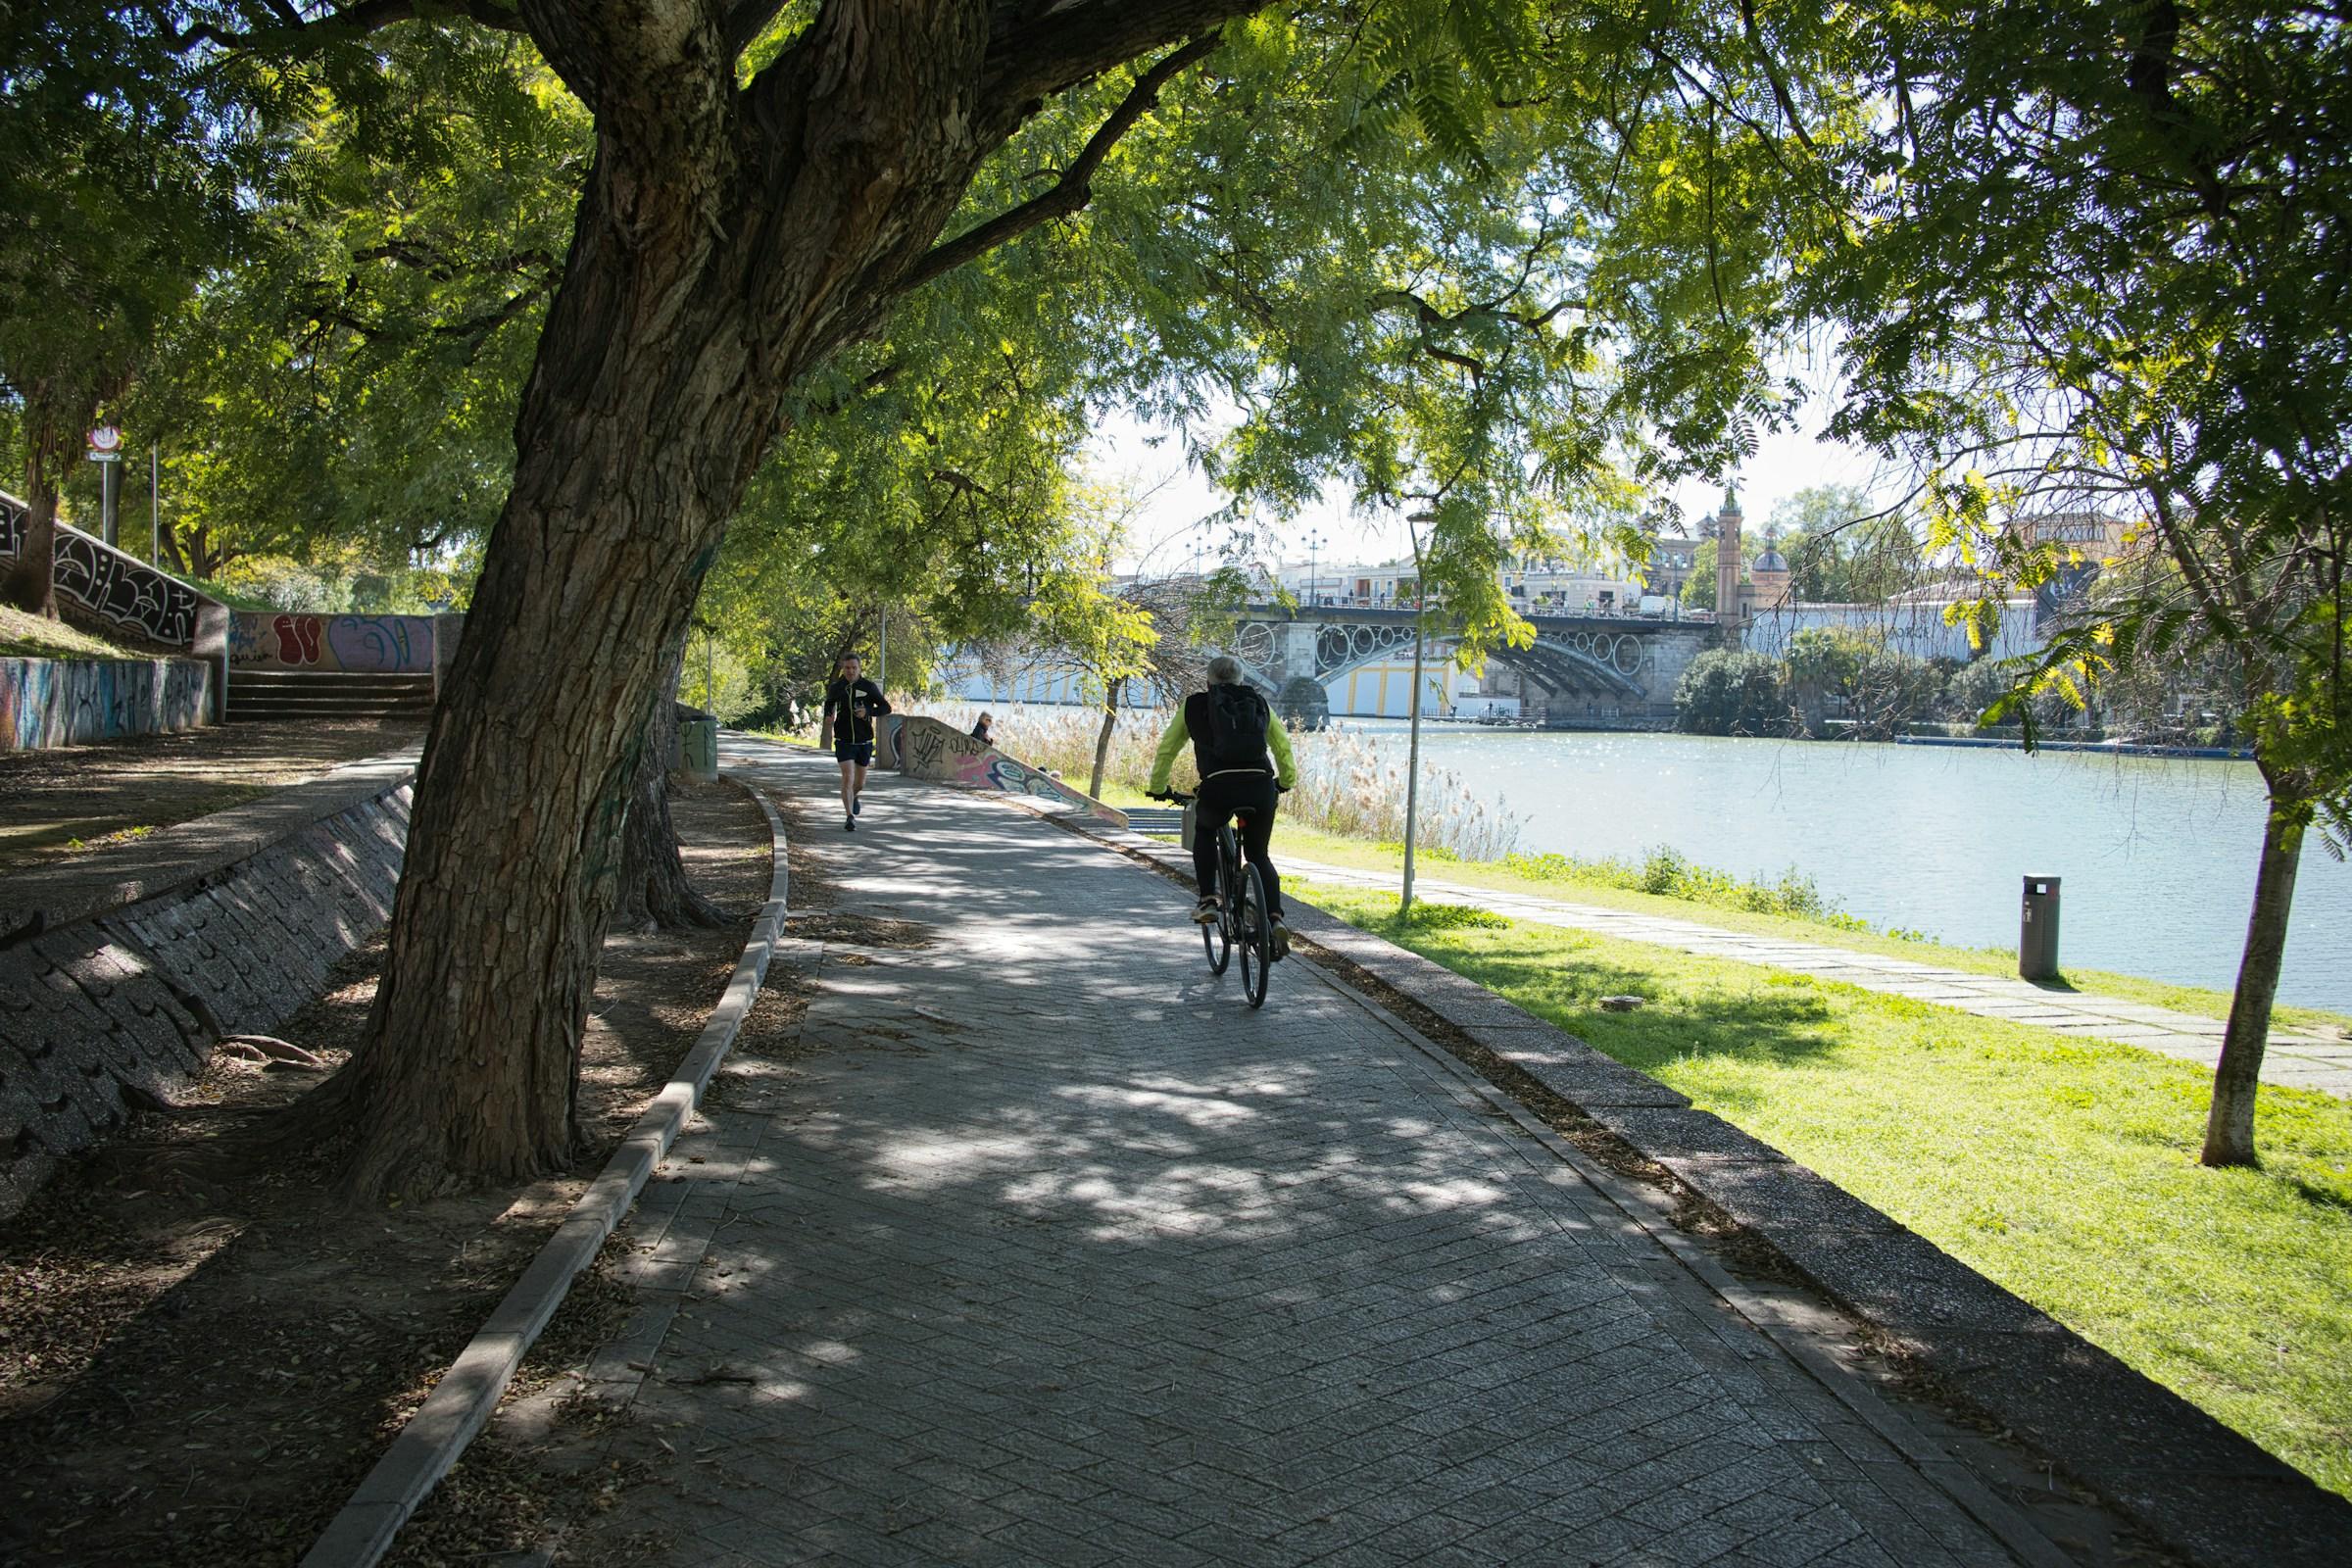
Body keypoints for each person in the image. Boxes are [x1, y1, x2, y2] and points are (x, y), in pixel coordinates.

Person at [1148, 655, 1298, 956]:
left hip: (1218, 787)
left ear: (1208, 681)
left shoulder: (1194, 706)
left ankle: (1208, 900)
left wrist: (1158, 788)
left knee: (1205, 829)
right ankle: (1275, 918)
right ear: (1242, 681)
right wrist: (1286, 781)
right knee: (1259, 855)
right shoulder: (1258, 703)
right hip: (1260, 786)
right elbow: (1283, 745)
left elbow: (1167, 749)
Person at [820, 653, 890, 831]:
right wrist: (829, 715)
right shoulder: (837, 687)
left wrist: (868, 712)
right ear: (843, 669)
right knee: (847, 778)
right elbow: (829, 703)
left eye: (853, 668)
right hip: (843, 740)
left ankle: (854, 796)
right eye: (847, 668)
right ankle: (849, 817)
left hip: (864, 741)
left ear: (859, 669)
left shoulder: (868, 687)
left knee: (859, 783)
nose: (850, 671)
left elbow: (885, 707)